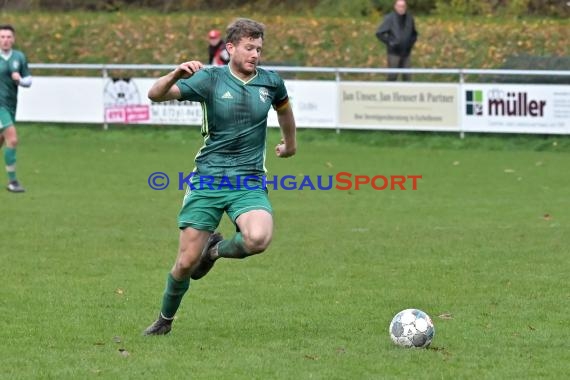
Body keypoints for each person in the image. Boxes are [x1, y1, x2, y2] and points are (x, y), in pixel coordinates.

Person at [143, 18, 297, 336]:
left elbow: (284, 111)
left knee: (258, 239)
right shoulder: (210, 79)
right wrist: (175, 72)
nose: (255, 54)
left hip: (248, 179)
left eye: (259, 49)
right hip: (209, 179)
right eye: (249, 47)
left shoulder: (270, 82)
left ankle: (213, 251)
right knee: (185, 263)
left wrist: (290, 143)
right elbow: (155, 95)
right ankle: (164, 321)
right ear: (230, 48)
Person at [0, 24, 31, 193]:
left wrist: (19, 80)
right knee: (12, 139)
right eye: (2, 37)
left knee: (1, 141)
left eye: (8, 37)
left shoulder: (19, 57)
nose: (5, 40)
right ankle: (13, 182)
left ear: (13, 39)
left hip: (11, 105)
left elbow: (29, 81)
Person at [375, 0, 418, 81]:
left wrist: (411, 43)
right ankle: (389, 93)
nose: (401, 8)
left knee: (407, 77)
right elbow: (379, 33)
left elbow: (414, 33)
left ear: (406, 7)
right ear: (395, 7)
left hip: (406, 53)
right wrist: (390, 42)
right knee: (392, 76)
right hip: (394, 53)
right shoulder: (390, 18)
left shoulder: (410, 18)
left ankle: (407, 93)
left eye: (403, 6)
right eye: (399, 6)